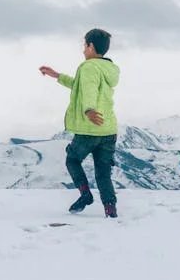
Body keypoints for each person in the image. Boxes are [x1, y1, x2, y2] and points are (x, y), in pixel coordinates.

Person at [39, 28, 120, 218]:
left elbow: (88, 89)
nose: (83, 50)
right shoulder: (109, 69)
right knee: (103, 173)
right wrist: (57, 75)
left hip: (89, 129)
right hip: (108, 130)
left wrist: (89, 109)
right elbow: (80, 86)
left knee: (72, 159)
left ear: (91, 46)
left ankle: (85, 194)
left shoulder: (89, 67)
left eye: (84, 45)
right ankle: (110, 210)